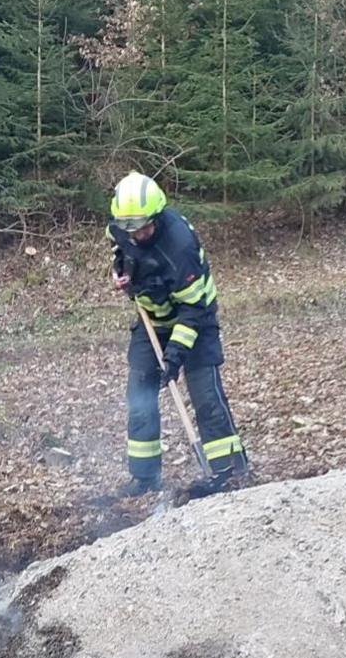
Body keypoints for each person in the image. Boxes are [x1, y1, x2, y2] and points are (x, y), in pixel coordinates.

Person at [106, 171, 247, 499]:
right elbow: (118, 249)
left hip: (195, 319)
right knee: (139, 394)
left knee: (205, 396)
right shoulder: (121, 227)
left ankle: (228, 470)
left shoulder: (179, 245)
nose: (135, 233)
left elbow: (193, 310)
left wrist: (173, 357)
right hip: (152, 319)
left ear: (156, 216)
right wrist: (120, 272)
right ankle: (144, 477)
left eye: (142, 225)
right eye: (129, 226)